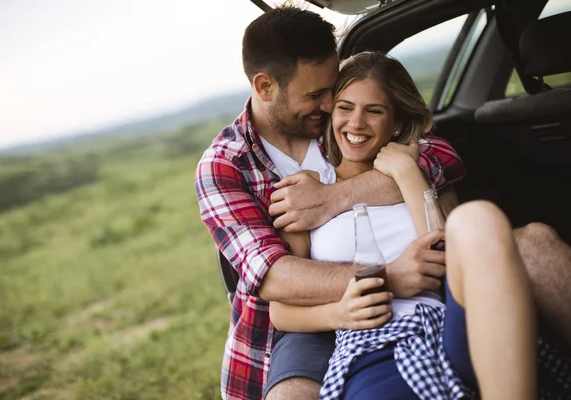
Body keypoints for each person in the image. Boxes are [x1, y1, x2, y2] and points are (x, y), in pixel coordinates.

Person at [195, 6, 466, 400]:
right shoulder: (226, 164)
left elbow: (439, 157)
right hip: (301, 323)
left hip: (411, 310)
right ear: (265, 86)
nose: (328, 103)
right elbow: (273, 278)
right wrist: (387, 277)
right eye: (316, 94)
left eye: (332, 88)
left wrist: (330, 198)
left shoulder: (339, 129)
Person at [268, 51, 538, 400]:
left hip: (448, 324)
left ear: (396, 122)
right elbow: (280, 311)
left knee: (478, 218)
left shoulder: (420, 170)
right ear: (331, 111)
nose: (356, 123)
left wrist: (407, 171)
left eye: (374, 111)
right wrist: (340, 313)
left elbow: (450, 259)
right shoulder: (306, 189)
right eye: (345, 107)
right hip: (373, 340)